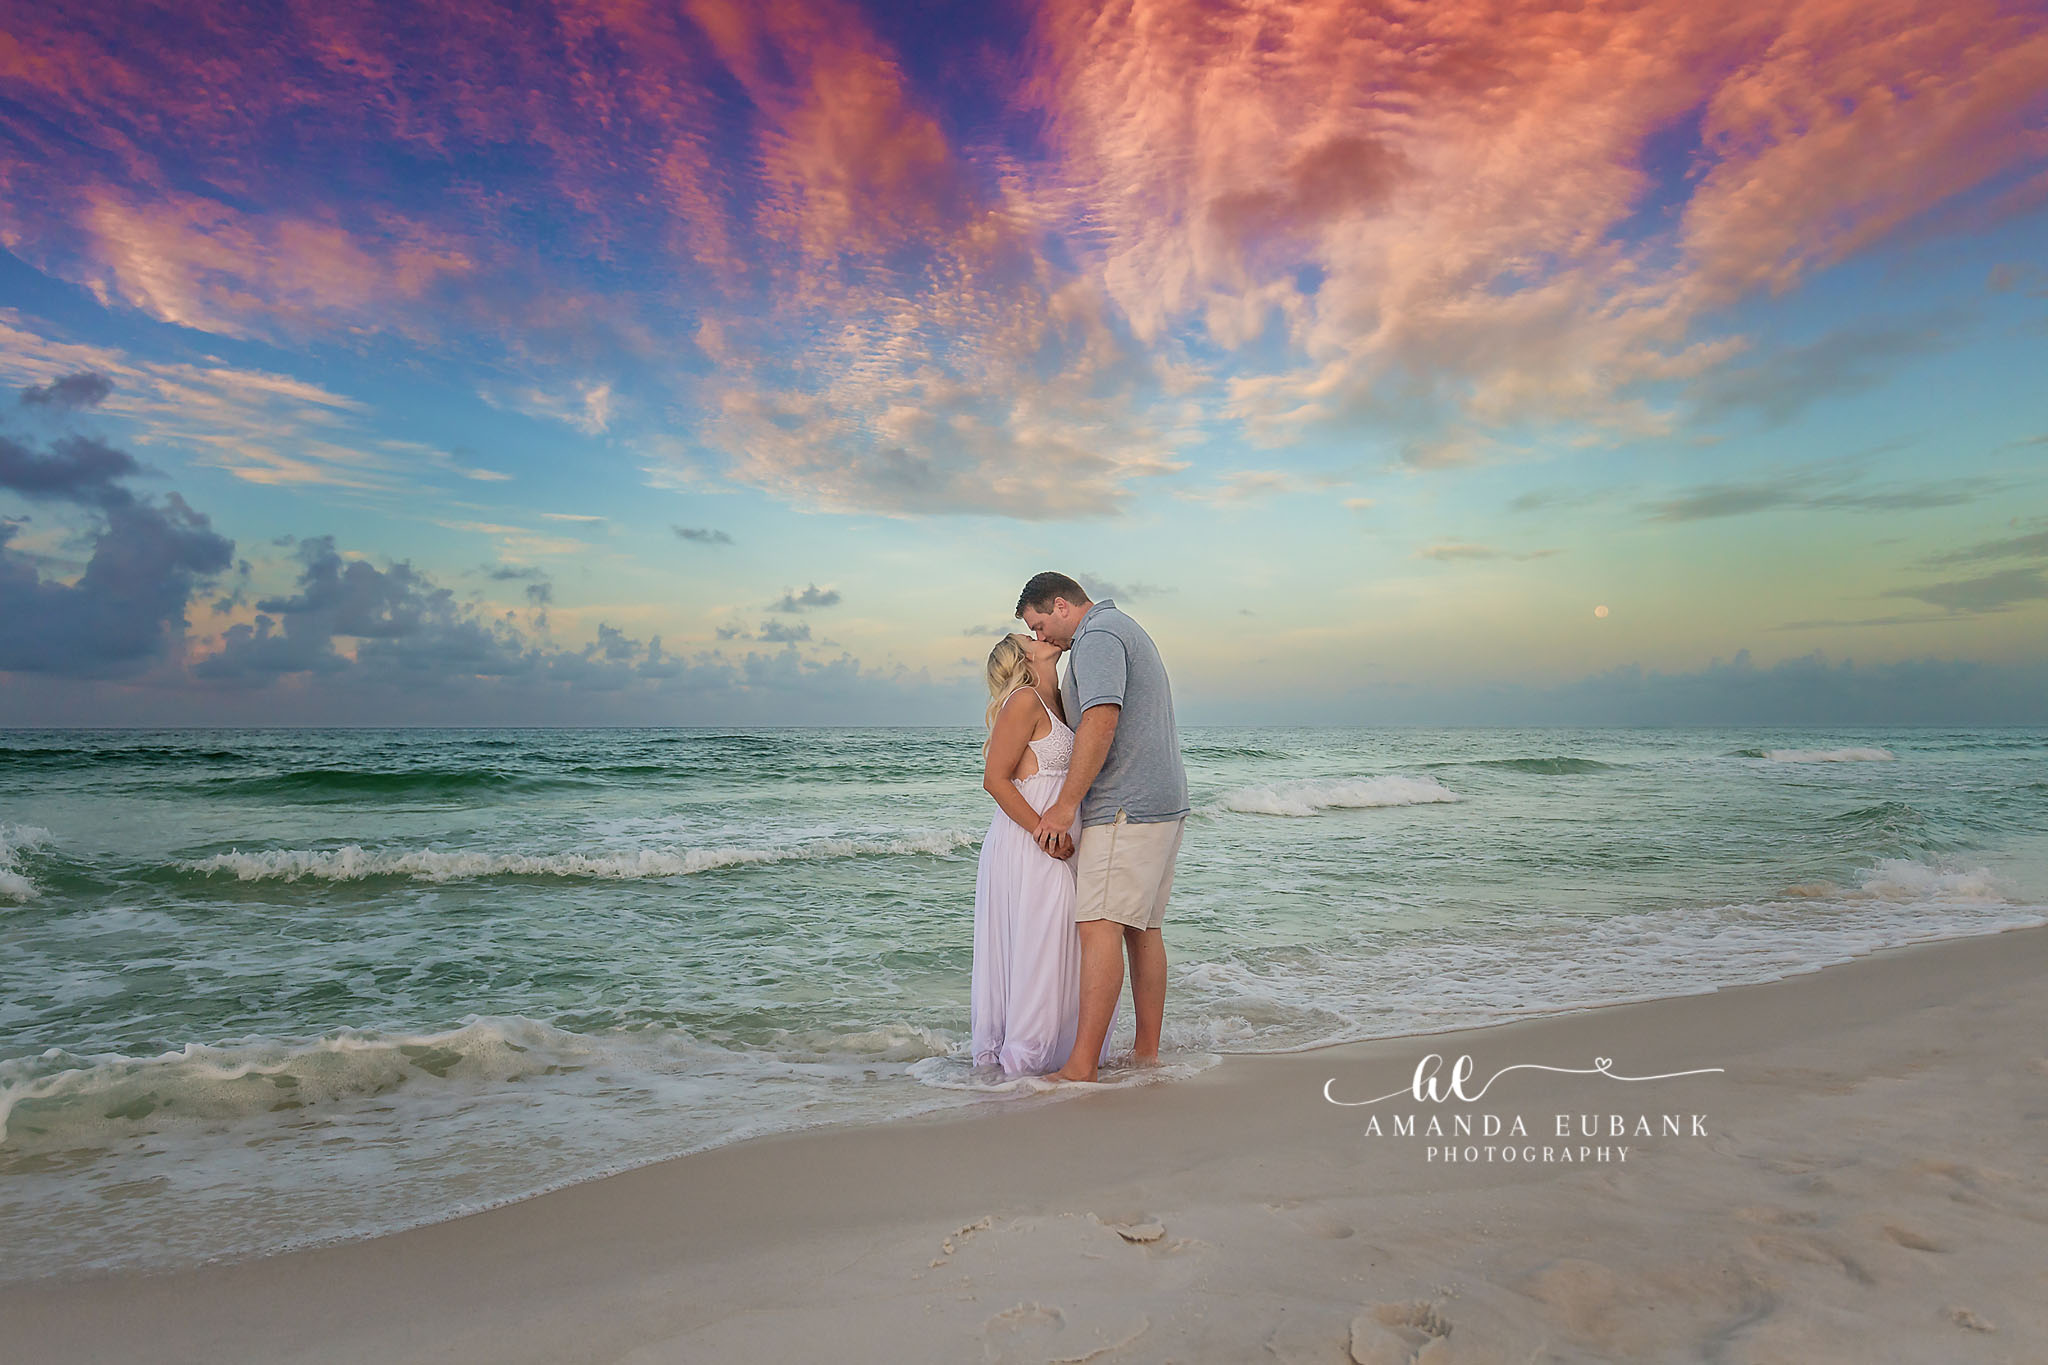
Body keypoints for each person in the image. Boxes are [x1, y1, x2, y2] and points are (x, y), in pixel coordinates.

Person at [1015, 572, 1188, 1084]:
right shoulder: (1120, 627)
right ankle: (1146, 1054)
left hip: (1124, 806)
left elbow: (1102, 718)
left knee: (1099, 927)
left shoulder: (1097, 637)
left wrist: (1065, 805)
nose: (1042, 637)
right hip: (1162, 800)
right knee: (1142, 930)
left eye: (1040, 624)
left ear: (1063, 605)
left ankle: (1081, 1067)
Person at [969, 632, 1114, 1077]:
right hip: (1030, 842)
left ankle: (1066, 1056)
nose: (1039, 635)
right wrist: (1044, 834)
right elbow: (995, 779)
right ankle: (1022, 1064)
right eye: (1025, 636)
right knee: (1043, 944)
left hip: (1061, 843)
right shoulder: (1024, 701)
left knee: (1066, 944)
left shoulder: (1064, 704)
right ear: (1022, 657)